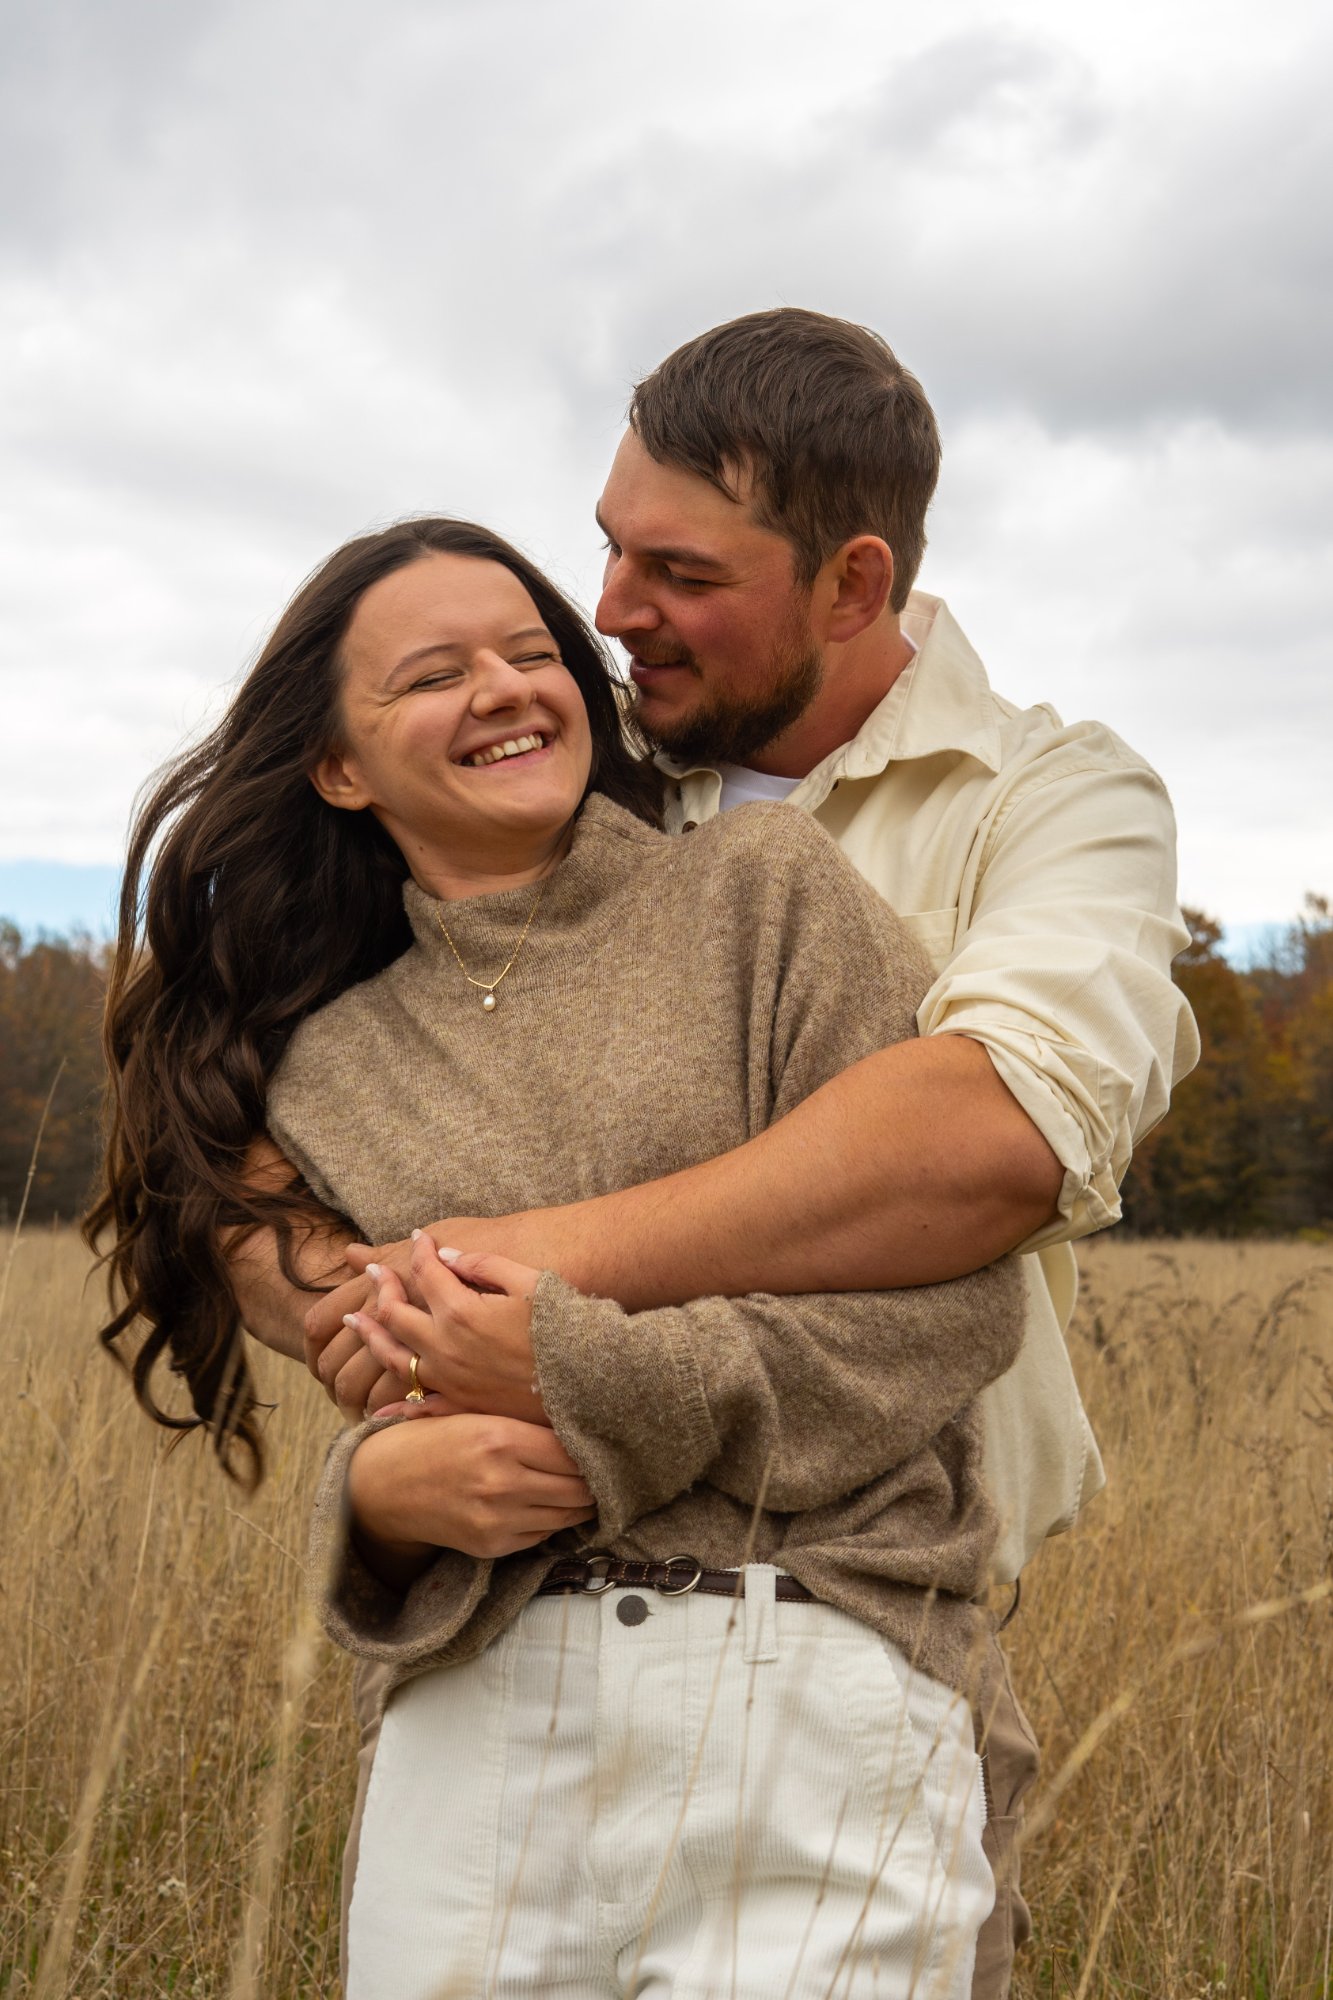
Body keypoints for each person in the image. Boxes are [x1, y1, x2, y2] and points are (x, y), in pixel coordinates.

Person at [237, 310, 1200, 2000]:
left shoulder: (1048, 798)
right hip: (510, 1638)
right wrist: (370, 1424)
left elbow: (982, 1144)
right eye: (606, 548)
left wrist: (515, 1283)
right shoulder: (555, 779)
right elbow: (250, 1147)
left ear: (850, 581)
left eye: (675, 570)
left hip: (853, 1608)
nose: (606, 612)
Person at [91, 516, 1028, 1997]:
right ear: (338, 764)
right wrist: (377, 1504)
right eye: (435, 674)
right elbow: (392, 1389)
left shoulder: (761, 897)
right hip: (475, 1737)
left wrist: (583, 1377)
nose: (506, 689)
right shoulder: (320, 1073)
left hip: (800, 1678)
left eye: (533, 654)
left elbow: (951, 1314)